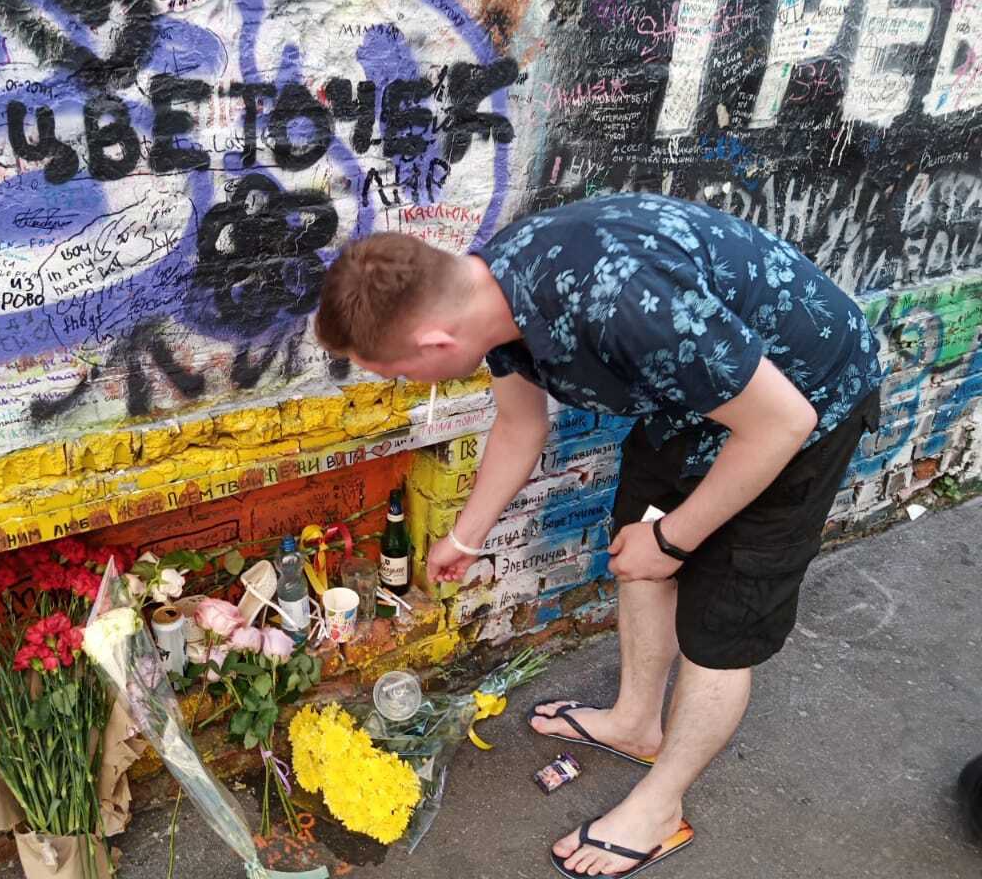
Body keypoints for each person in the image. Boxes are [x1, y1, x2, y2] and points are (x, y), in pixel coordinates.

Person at [312, 193, 882, 878]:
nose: (406, 384)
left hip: (801, 406)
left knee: (723, 626)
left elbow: (780, 423)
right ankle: (637, 721)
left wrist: (673, 540)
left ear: (436, 344)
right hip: (690, 405)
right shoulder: (487, 293)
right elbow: (520, 425)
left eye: (399, 373)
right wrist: (465, 539)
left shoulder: (624, 304)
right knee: (632, 547)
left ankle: (661, 807)